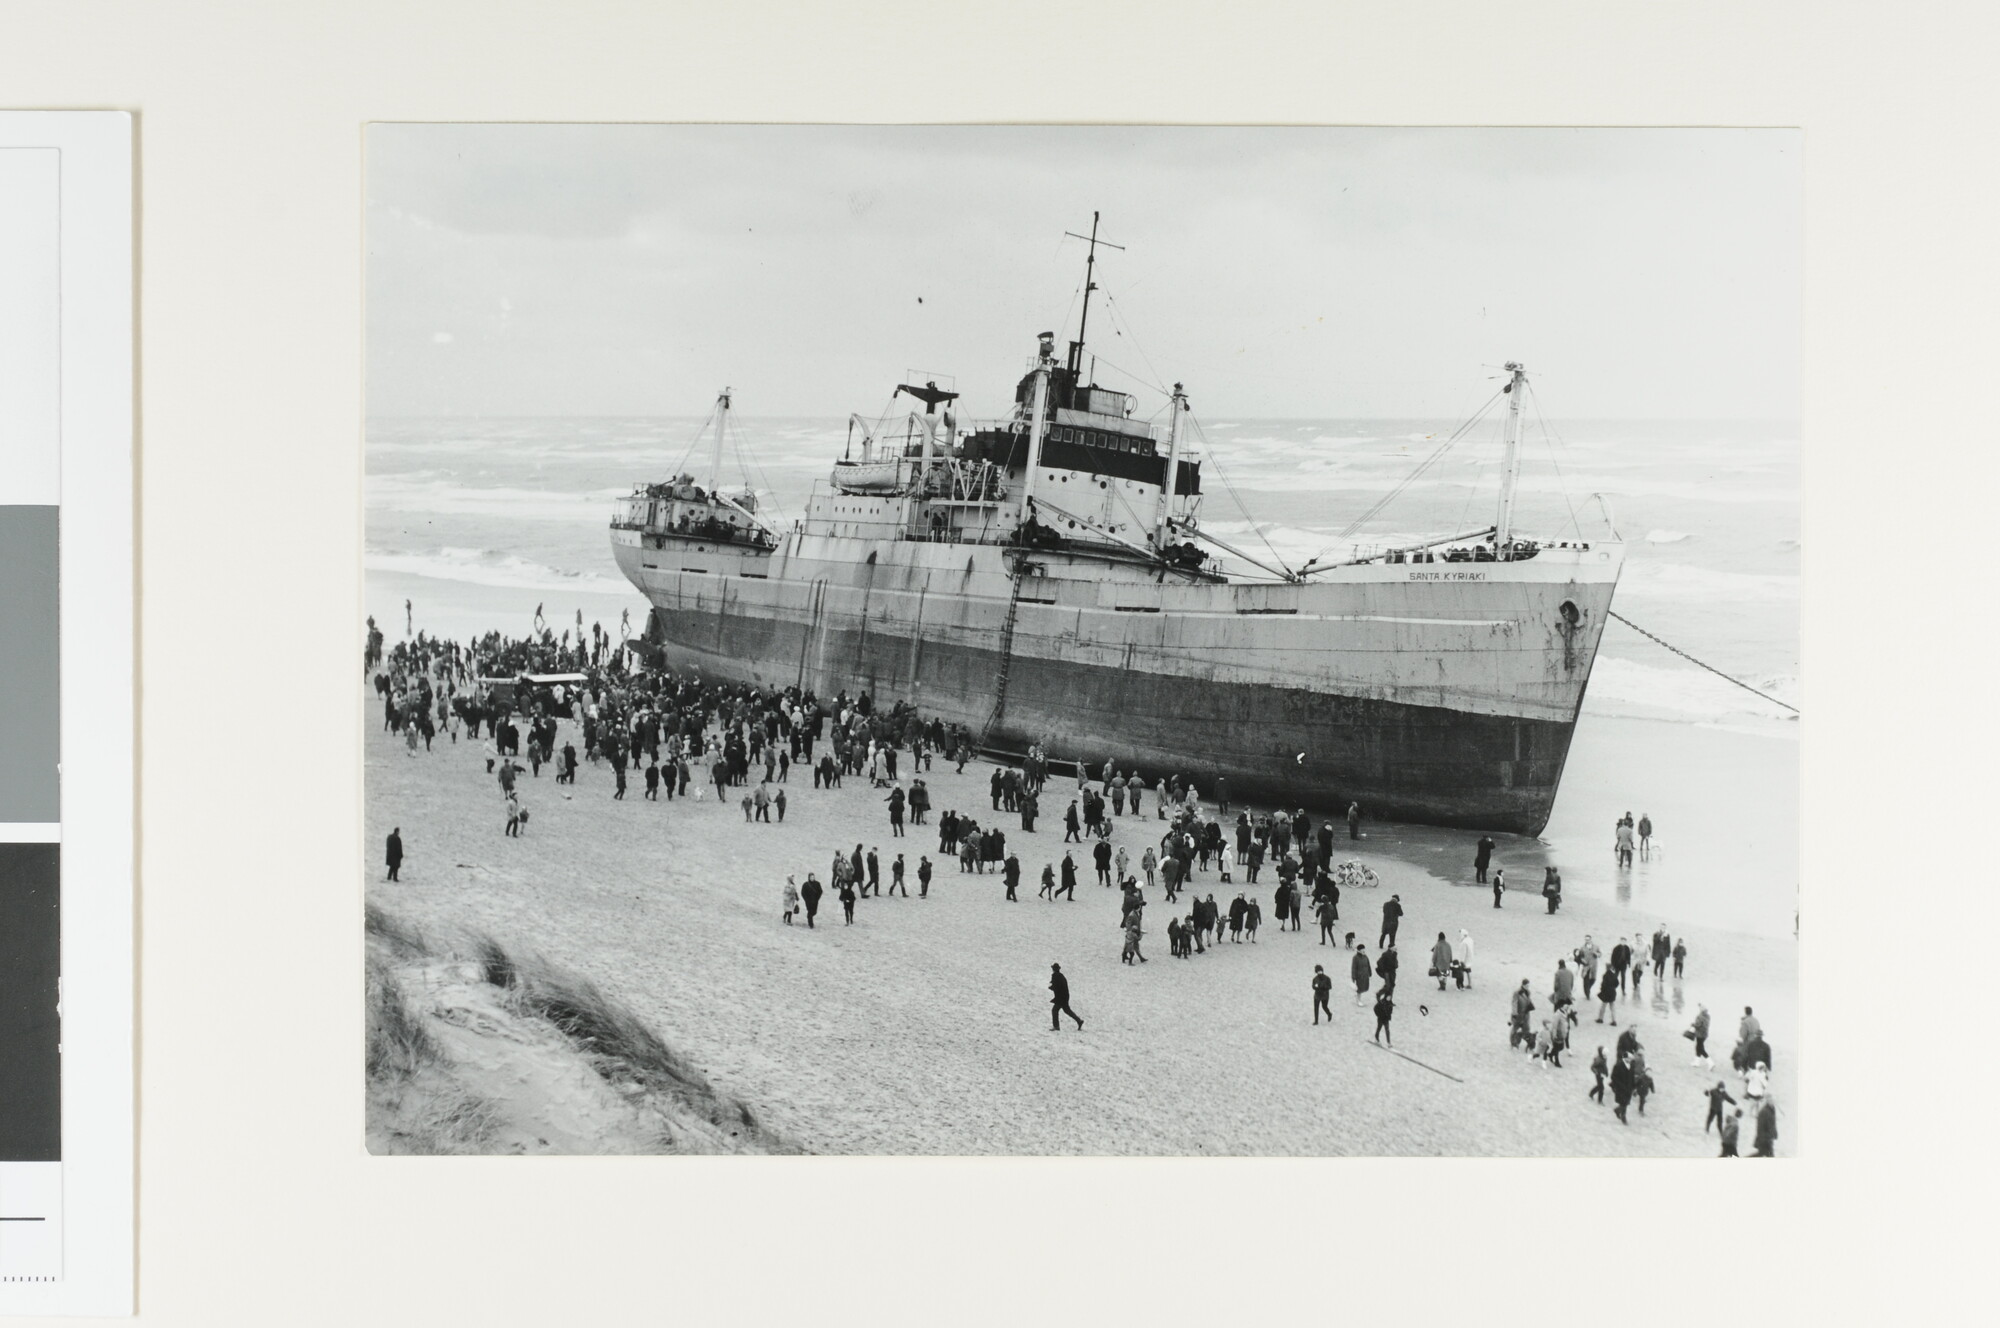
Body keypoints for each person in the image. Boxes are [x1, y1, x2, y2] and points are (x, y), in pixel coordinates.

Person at [1049, 963, 1083, 1031]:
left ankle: (1056, 1026)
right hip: (1065, 996)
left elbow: (1057, 987)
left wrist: (1051, 987)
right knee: (1067, 1010)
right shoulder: (1061, 976)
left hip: (1060, 997)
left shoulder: (1055, 976)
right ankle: (1079, 1021)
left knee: (1055, 1010)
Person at [1509, 979, 1536, 1050]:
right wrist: (1515, 1013)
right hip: (1518, 1014)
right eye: (1526, 985)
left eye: (1528, 985)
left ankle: (1520, 1042)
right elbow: (1514, 1003)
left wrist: (1531, 1005)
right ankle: (1513, 1043)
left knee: (1526, 1029)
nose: (1528, 987)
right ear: (1523, 985)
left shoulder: (1528, 992)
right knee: (1515, 1028)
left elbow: (1529, 1000)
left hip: (1526, 1014)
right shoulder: (1517, 992)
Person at [1610, 1053, 1636, 1124]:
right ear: (1625, 1058)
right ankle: (1623, 1117)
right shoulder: (1618, 1065)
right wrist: (1619, 1085)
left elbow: (1632, 1077)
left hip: (1629, 1087)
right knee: (1624, 1102)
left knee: (1626, 1102)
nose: (1631, 1060)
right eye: (1629, 1059)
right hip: (1621, 1088)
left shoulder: (1631, 1065)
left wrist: (1634, 1086)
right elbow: (1613, 1077)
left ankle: (1618, 1111)